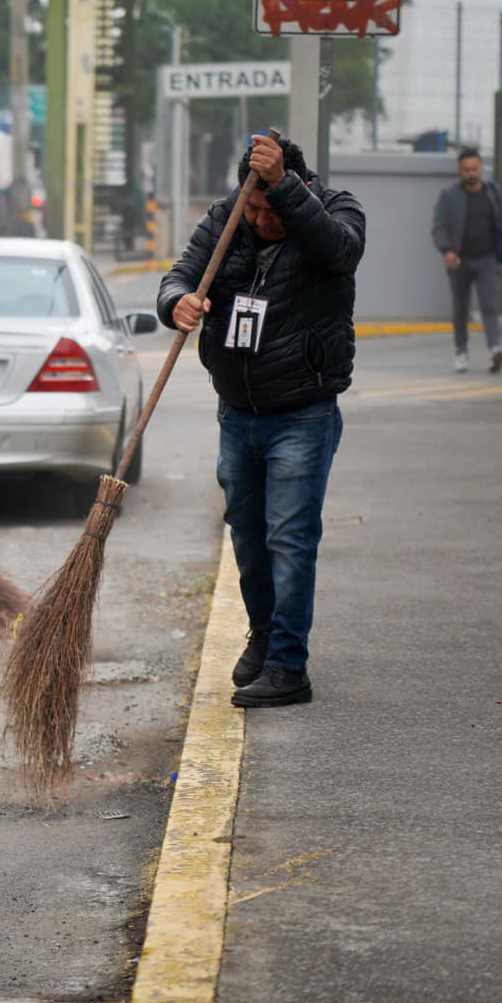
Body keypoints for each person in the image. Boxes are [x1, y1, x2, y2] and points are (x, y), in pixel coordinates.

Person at [157, 135, 366, 708]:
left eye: (267, 207)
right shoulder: (229, 216)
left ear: (290, 187)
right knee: (247, 537)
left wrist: (283, 190)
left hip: (304, 410)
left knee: (289, 538)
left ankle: (288, 667)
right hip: (237, 411)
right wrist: (176, 301)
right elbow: (180, 274)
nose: (257, 218)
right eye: (250, 207)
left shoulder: (335, 210)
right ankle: (265, 634)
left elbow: (340, 252)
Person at [431, 147, 502, 373]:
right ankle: (461, 352)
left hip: (487, 259)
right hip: (459, 261)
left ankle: (495, 349)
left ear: (481, 168)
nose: (471, 173)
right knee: (460, 308)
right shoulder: (449, 196)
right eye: (467, 170)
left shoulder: (493, 193)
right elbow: (439, 227)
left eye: (475, 169)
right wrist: (447, 250)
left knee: (489, 305)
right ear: (460, 171)